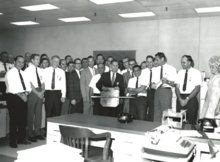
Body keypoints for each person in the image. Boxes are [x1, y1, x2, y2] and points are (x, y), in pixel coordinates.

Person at [5, 55, 31, 148]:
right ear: (14, 62)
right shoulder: (9, 73)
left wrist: (26, 94)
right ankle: (12, 141)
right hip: (14, 98)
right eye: (19, 62)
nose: (21, 64)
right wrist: (22, 96)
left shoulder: (24, 73)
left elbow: (28, 86)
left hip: (24, 96)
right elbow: (11, 88)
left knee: (23, 120)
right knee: (14, 120)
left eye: (22, 62)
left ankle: (21, 139)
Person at [175, 55, 201, 124]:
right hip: (180, 98)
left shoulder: (196, 72)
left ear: (189, 62)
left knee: (191, 121)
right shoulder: (180, 72)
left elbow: (197, 88)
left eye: (184, 62)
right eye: (181, 62)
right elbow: (177, 87)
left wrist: (187, 99)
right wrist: (180, 99)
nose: (182, 64)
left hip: (191, 99)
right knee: (179, 122)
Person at [25, 54, 45, 142]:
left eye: (39, 59)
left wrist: (42, 92)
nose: (38, 61)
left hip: (40, 91)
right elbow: (29, 83)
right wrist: (37, 93)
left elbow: (43, 82)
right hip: (33, 92)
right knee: (30, 114)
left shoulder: (40, 70)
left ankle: (37, 133)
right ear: (32, 60)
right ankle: (30, 134)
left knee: (38, 114)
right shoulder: (27, 70)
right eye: (37, 59)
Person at [151, 52, 177, 122]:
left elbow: (175, 84)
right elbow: (153, 81)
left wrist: (167, 81)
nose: (155, 62)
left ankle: (165, 128)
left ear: (162, 59)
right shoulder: (155, 69)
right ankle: (155, 127)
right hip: (157, 91)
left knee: (166, 112)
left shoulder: (172, 69)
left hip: (166, 91)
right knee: (156, 111)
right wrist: (153, 84)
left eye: (157, 60)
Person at [143, 55, 155, 121]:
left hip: (153, 92)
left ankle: (150, 123)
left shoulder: (156, 70)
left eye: (151, 62)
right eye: (148, 62)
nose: (149, 64)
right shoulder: (143, 71)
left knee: (152, 109)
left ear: (153, 62)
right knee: (144, 108)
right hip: (144, 91)